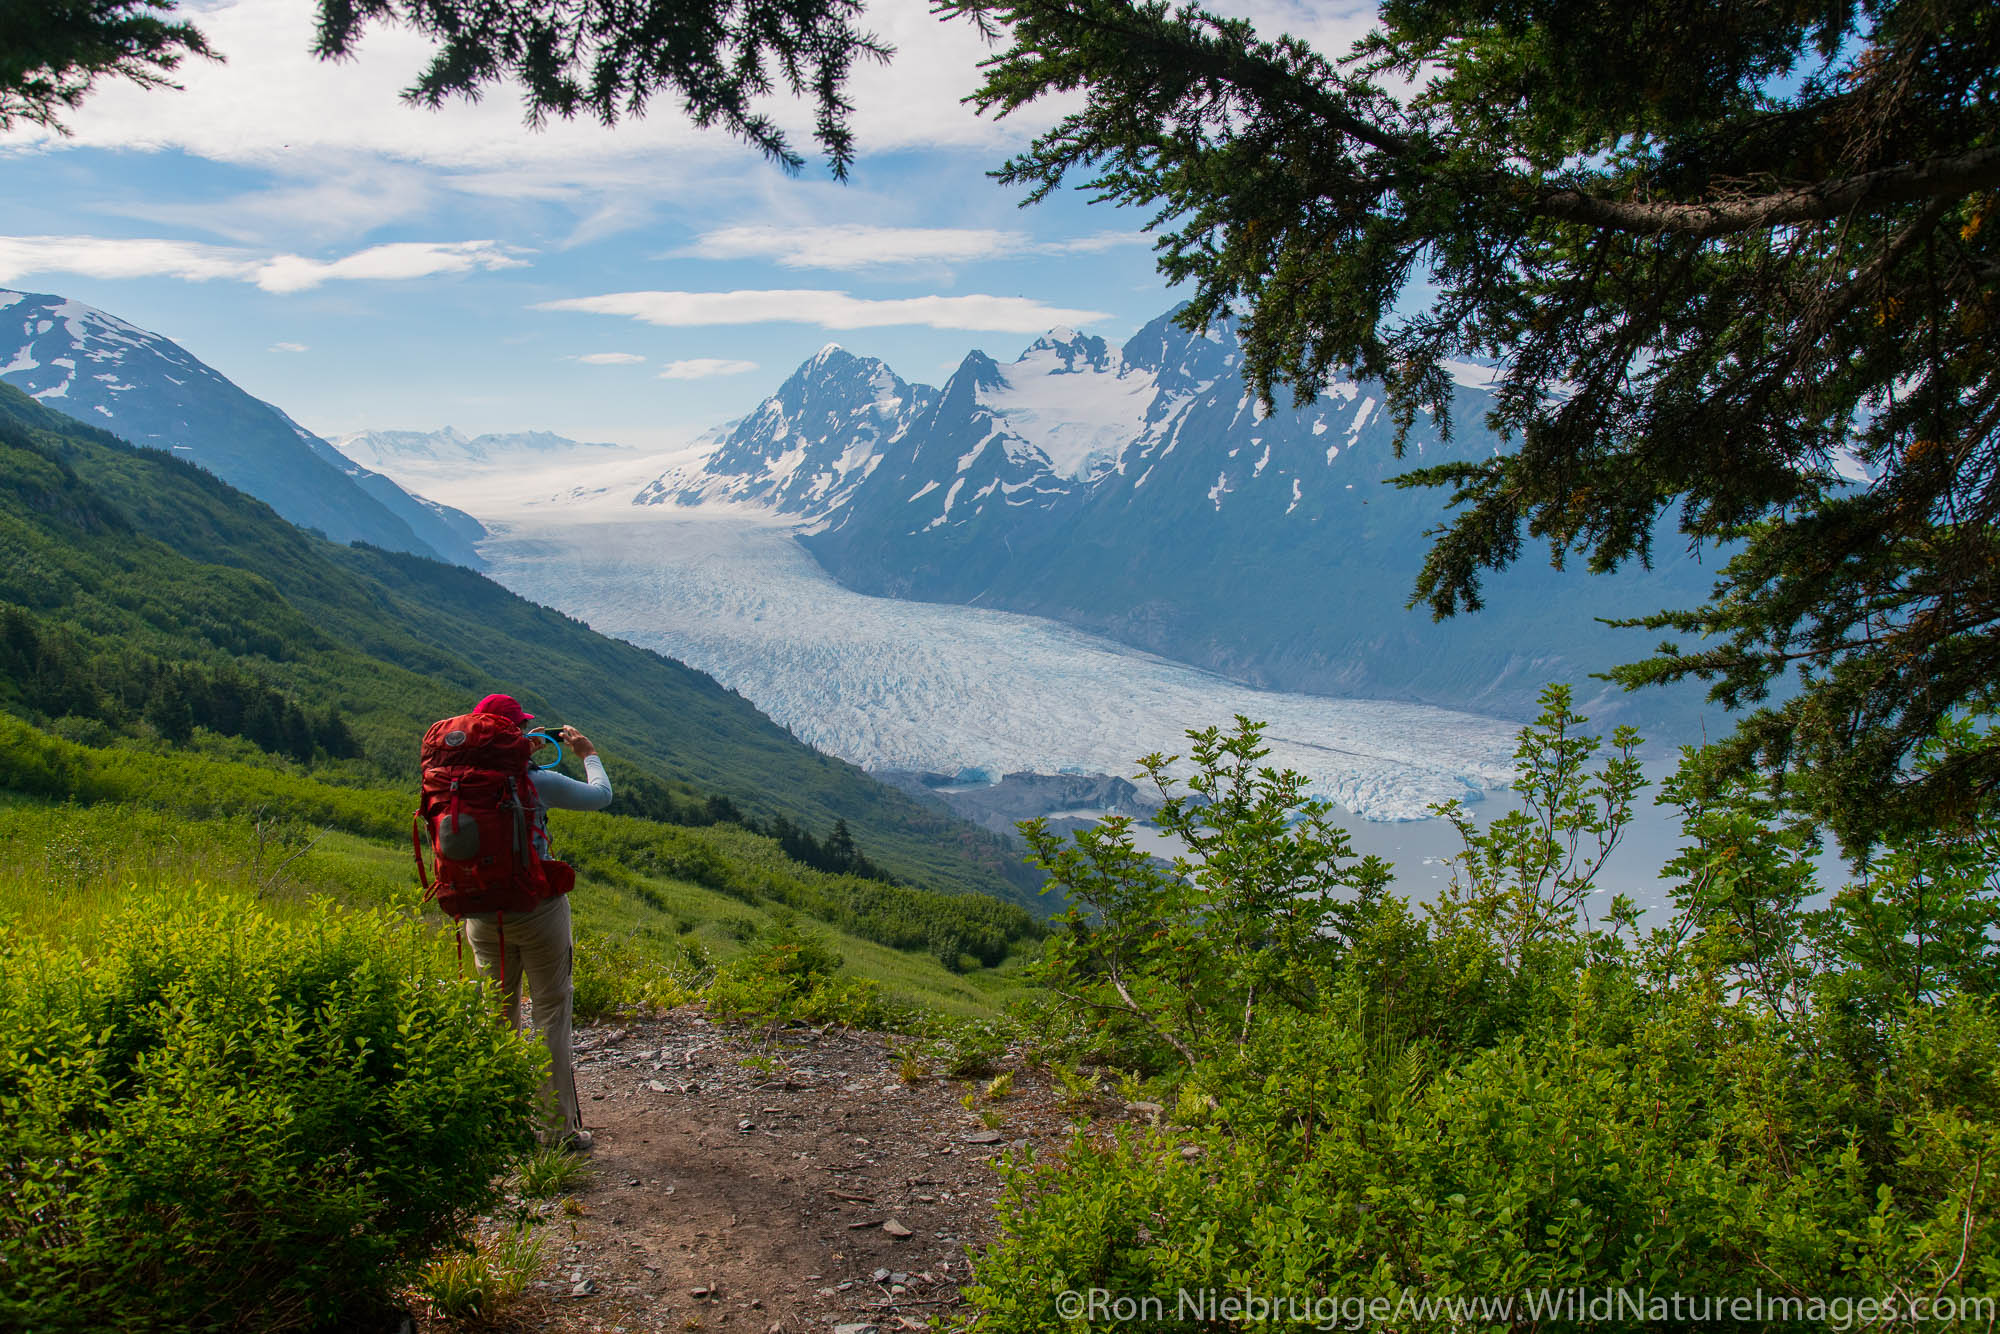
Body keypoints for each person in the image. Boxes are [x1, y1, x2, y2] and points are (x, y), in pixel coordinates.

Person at [461, 692, 612, 1152]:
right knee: (550, 1013)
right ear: (512, 732)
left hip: (480, 910)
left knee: (496, 1013)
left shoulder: (455, 777)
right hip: (536, 909)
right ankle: (558, 1132)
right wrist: (589, 755)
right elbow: (600, 797)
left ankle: (495, 1125)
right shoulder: (533, 779)